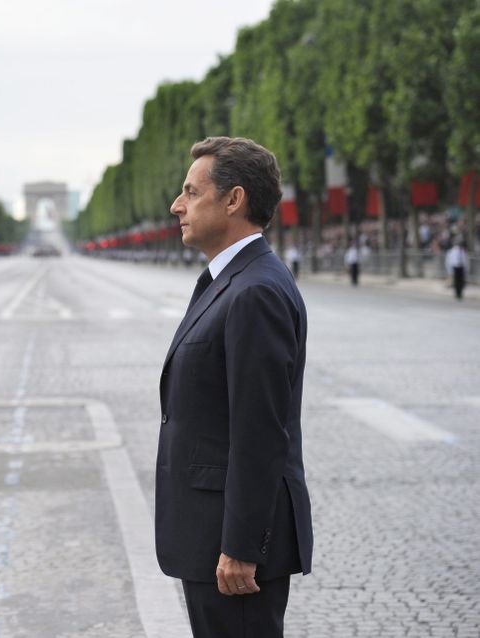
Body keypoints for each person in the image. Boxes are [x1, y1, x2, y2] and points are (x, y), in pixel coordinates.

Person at [158, 136, 313, 638]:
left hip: (234, 550)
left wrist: (242, 547)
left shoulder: (254, 292)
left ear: (233, 199)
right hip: (213, 533)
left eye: (190, 192)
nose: (176, 205)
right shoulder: (234, 281)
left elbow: (259, 432)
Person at [445, 237, 469, 301]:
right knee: (456, 281)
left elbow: (465, 261)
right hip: (455, 267)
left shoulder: (463, 251)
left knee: (461, 281)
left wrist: (466, 269)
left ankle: (460, 293)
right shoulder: (451, 251)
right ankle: (457, 293)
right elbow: (449, 261)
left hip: (461, 267)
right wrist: (449, 270)